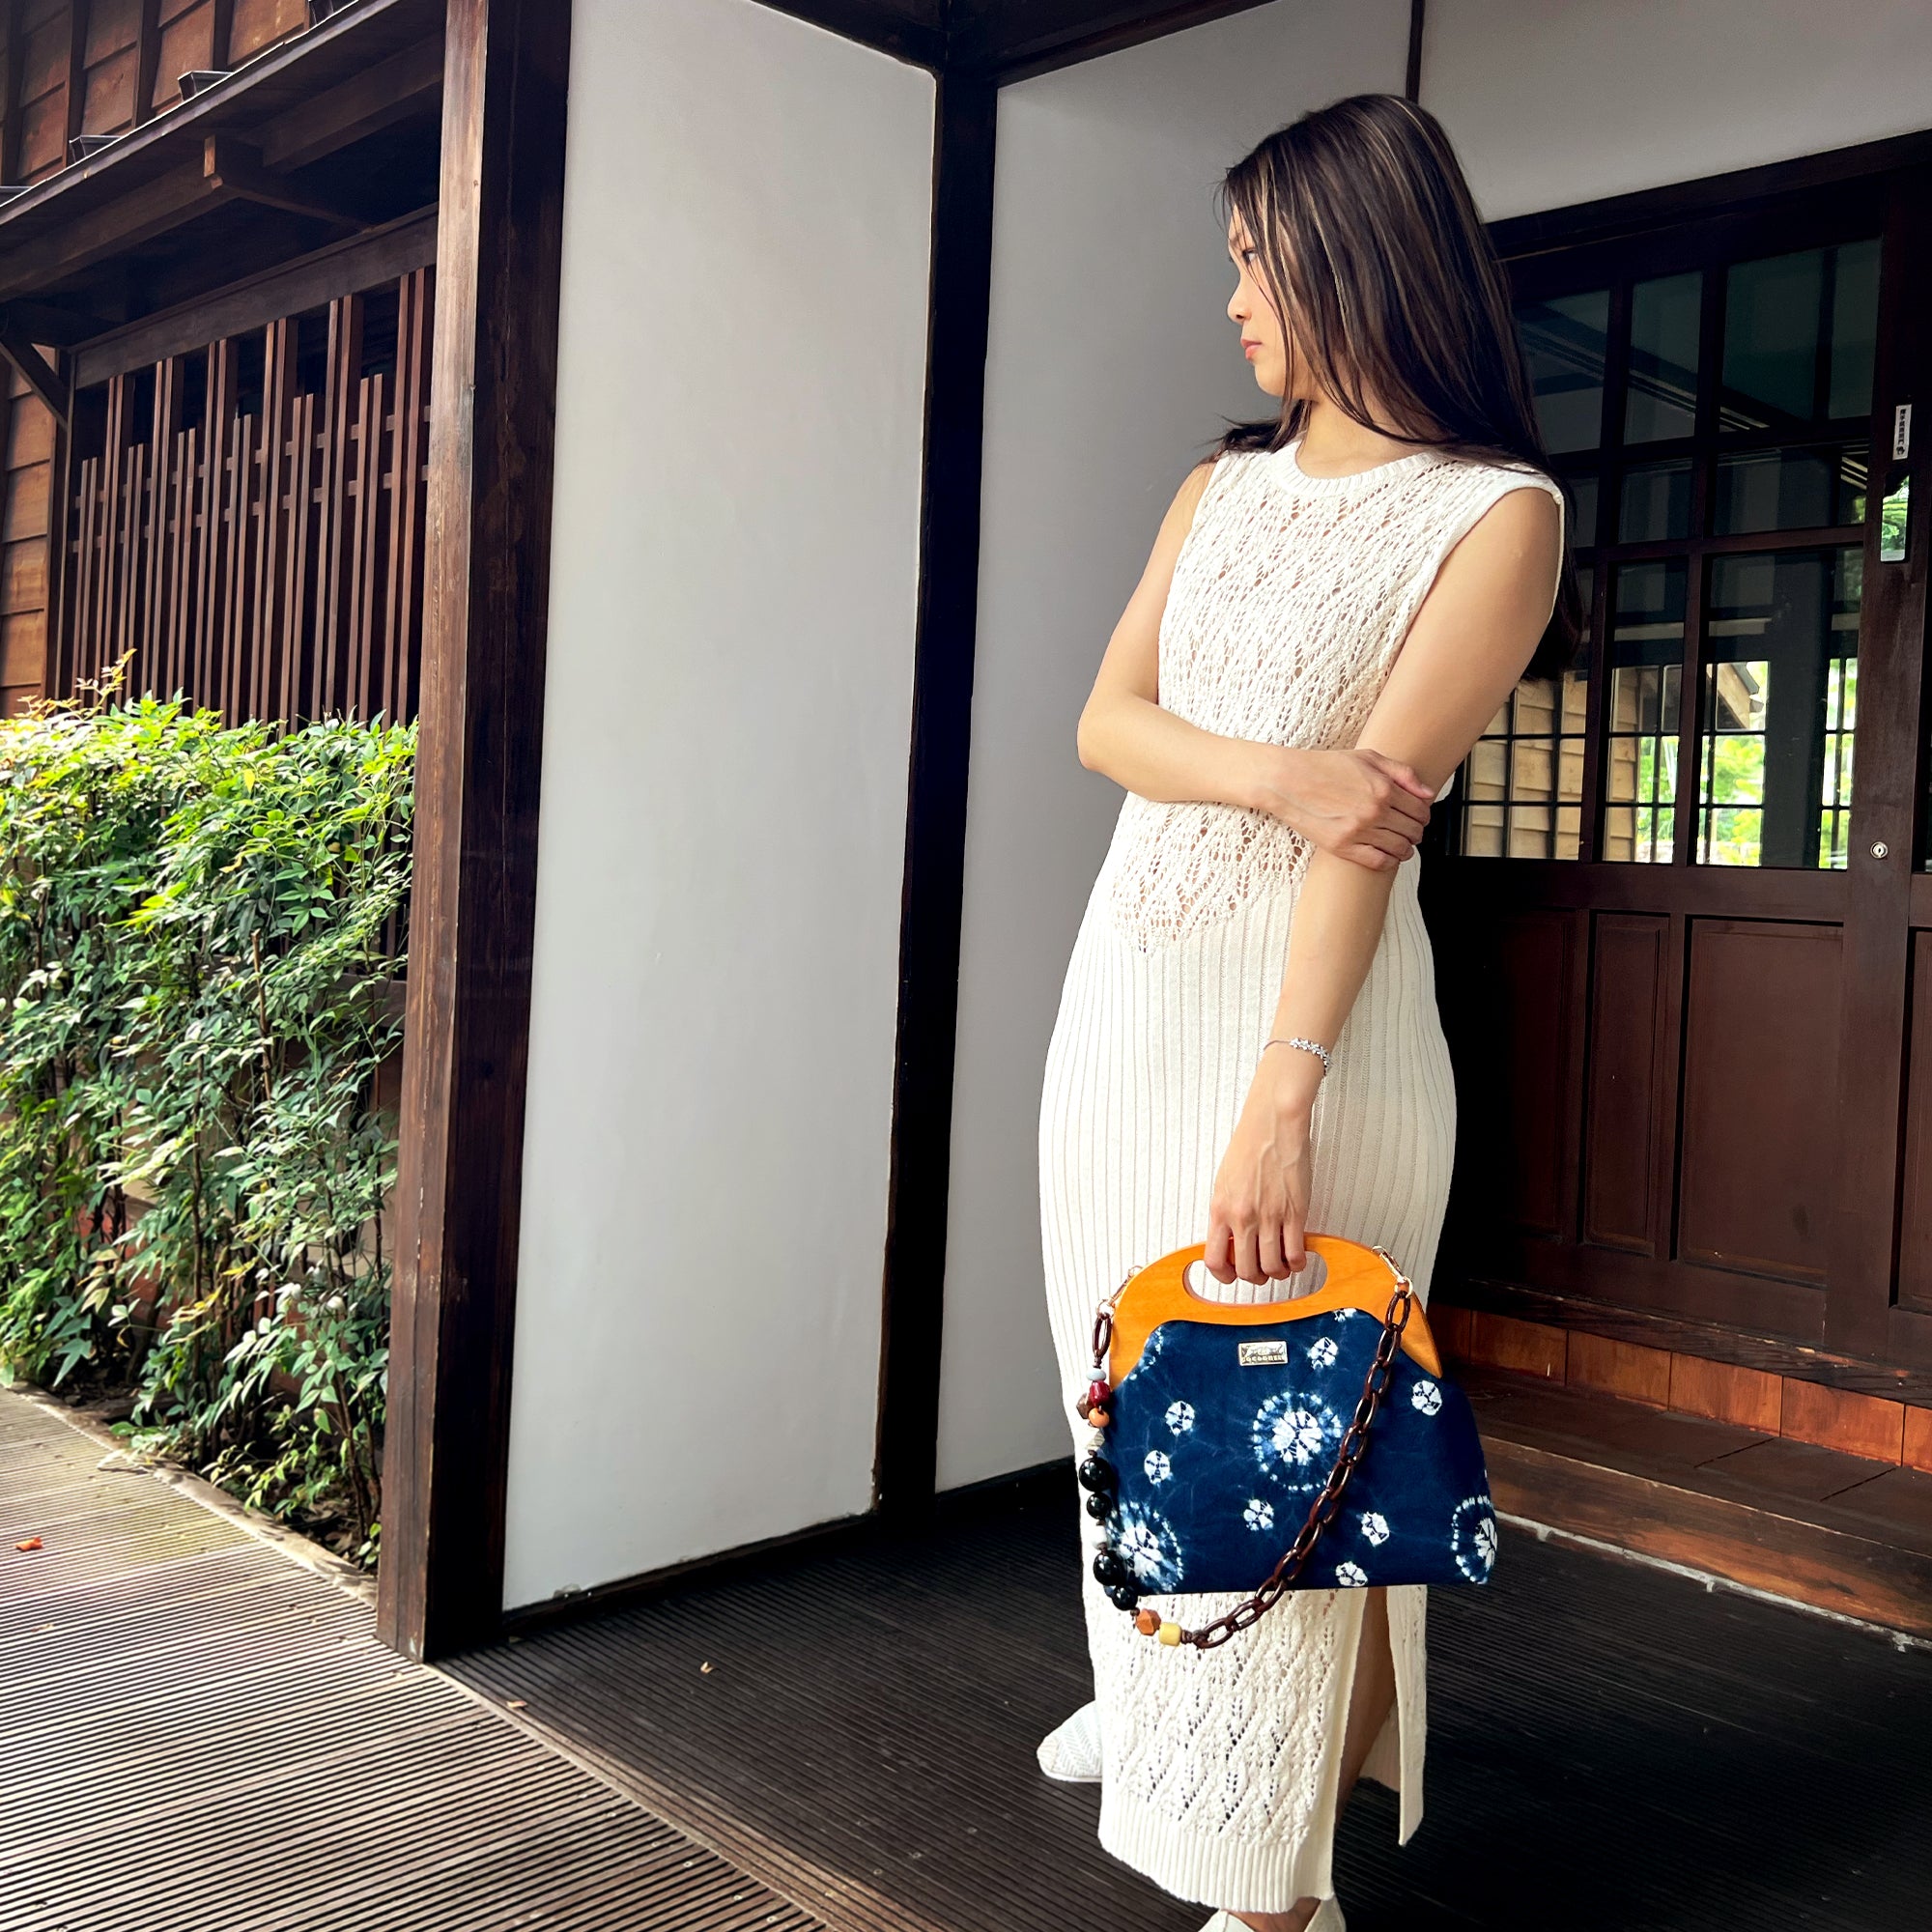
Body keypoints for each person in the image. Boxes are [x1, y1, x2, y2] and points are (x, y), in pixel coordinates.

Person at [1034, 93, 1575, 1932]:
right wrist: (1282, 774)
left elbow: (1372, 835)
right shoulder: (1217, 486)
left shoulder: (1496, 515)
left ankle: (1271, 1888)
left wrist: (1283, 1095)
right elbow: (1106, 725)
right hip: (1126, 1013)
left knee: (1293, 1444)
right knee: (1131, 1406)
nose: (1238, 301)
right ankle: (1165, 1720)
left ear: (1354, 259)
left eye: (1258, 263)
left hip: (1309, 1041)